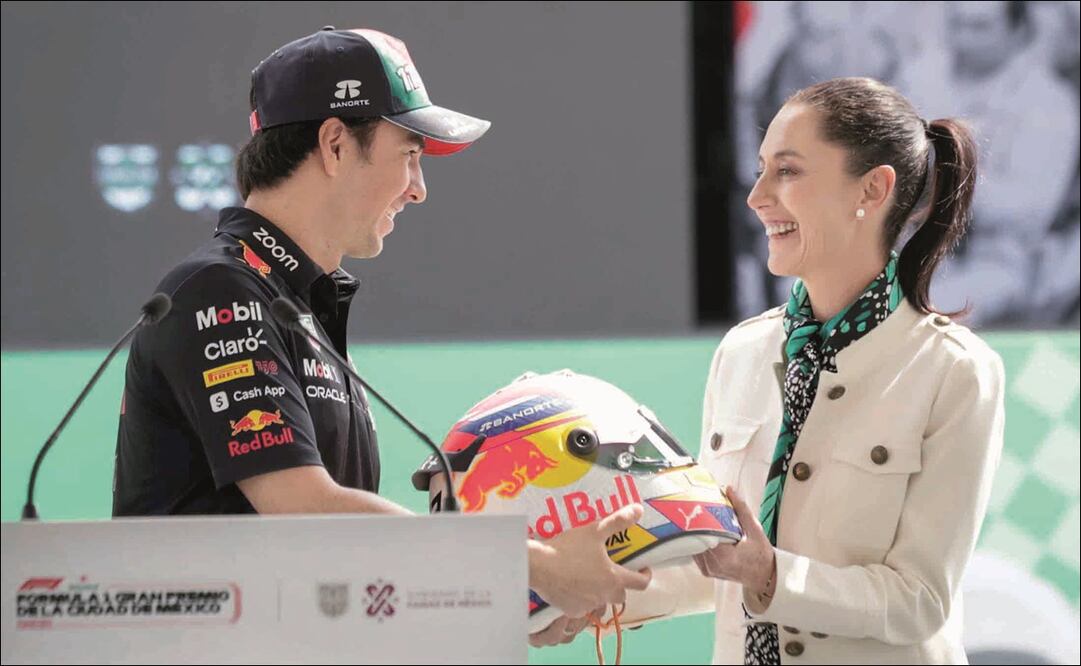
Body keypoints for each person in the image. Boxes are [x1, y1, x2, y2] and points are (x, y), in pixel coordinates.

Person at [112, 25, 650, 622]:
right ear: (336, 145)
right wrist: (532, 567)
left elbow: (345, 566)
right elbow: (304, 508)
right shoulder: (220, 291)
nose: (418, 190)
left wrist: (515, 606)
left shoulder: (291, 299)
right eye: (411, 155)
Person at [596, 77, 1005, 663]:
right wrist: (590, 590)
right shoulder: (742, 351)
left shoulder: (955, 372)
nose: (756, 195)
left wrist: (769, 575)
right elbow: (713, 563)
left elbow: (919, 600)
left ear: (872, 188)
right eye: (761, 169)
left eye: (787, 171)